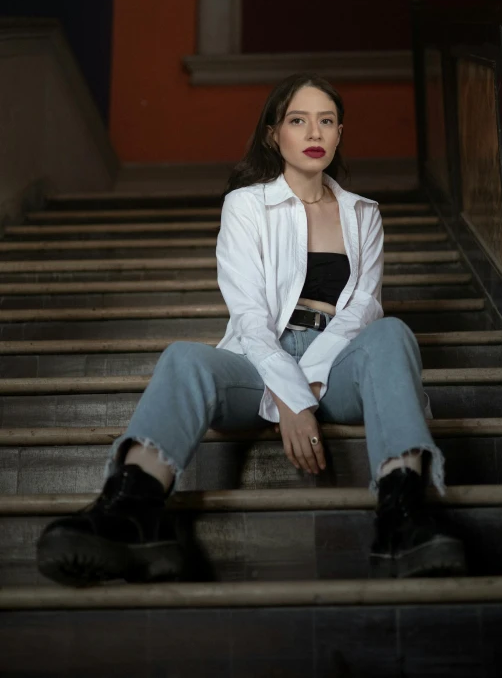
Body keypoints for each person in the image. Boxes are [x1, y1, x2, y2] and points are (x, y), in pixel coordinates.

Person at [36, 73, 466, 587]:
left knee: (391, 331)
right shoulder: (247, 205)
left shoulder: (363, 214)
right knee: (184, 357)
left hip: (342, 364)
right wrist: (287, 393)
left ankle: (403, 518)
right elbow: (250, 316)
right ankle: (132, 511)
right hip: (260, 362)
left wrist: (305, 389)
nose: (315, 131)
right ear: (273, 134)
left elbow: (362, 310)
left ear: (339, 132)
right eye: (298, 119)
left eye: (326, 121)